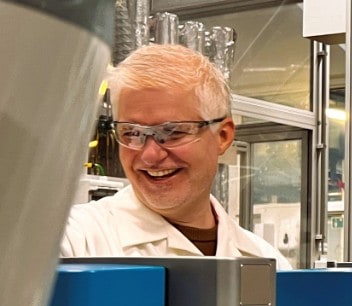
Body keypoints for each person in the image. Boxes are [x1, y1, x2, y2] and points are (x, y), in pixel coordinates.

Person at [61, 44, 289, 269]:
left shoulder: (267, 261)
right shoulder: (73, 241)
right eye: (132, 133)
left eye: (173, 132)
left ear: (222, 136)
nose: (150, 155)